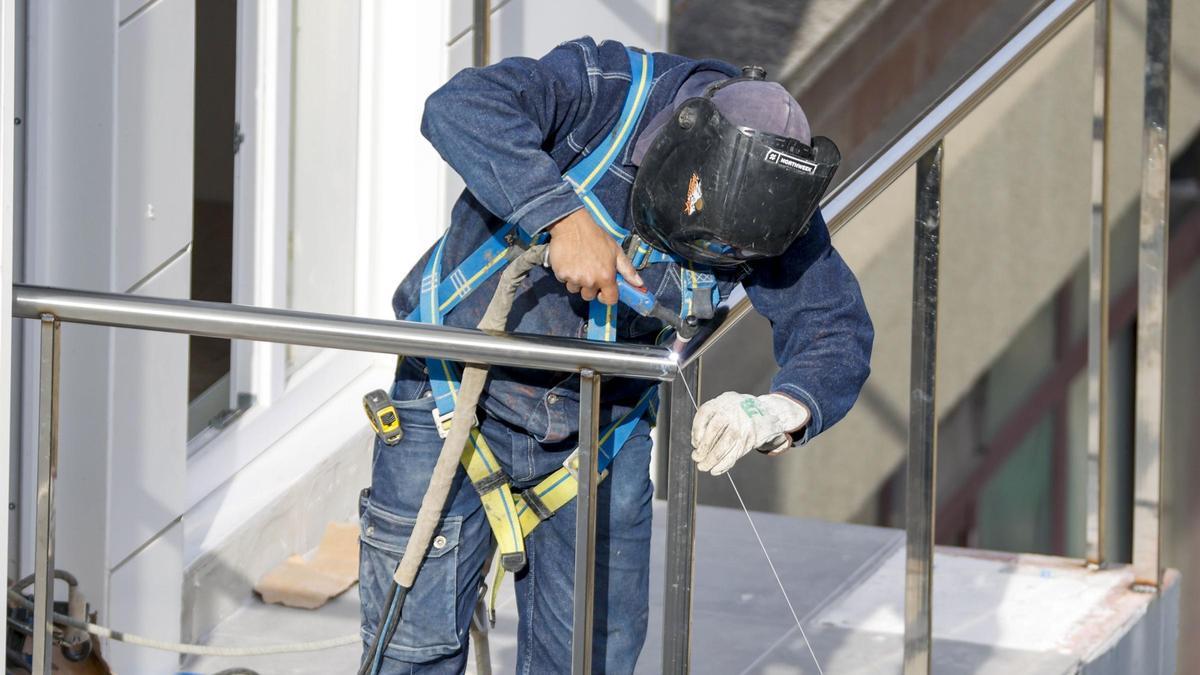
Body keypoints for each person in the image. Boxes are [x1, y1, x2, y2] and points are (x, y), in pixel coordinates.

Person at [358, 36, 873, 674]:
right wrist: (560, 216)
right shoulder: (600, 90)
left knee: (589, 661)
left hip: (602, 432)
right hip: (455, 396)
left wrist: (774, 411)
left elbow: (834, 324)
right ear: (677, 148)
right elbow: (458, 106)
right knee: (412, 654)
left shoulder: (774, 203)